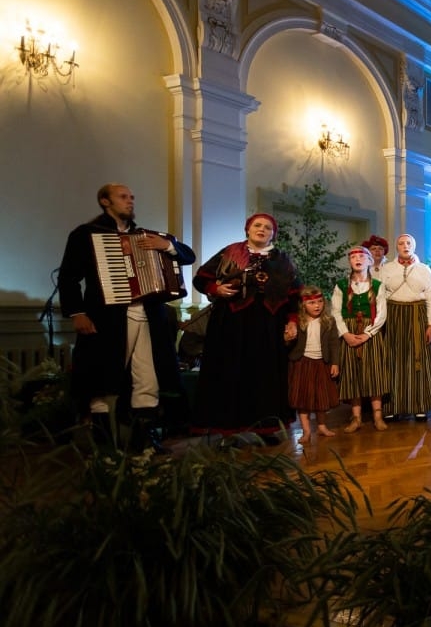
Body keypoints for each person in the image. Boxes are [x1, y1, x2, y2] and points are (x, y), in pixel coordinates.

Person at [58, 182, 195, 451]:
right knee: (103, 377)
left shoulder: (146, 235)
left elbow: (187, 256)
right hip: (106, 318)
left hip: (149, 316)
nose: (130, 201)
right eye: (123, 197)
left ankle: (141, 444)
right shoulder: (86, 234)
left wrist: (167, 245)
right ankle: (105, 447)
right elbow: (69, 277)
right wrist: (77, 312)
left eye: (132, 197)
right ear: (105, 201)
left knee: (148, 376)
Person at [192, 213, 300, 438]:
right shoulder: (229, 252)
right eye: (257, 225)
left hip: (269, 325)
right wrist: (216, 289)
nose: (262, 229)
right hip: (231, 324)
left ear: (273, 233)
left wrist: (292, 321)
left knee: (265, 376)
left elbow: (294, 294)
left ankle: (265, 429)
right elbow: (201, 279)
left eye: (268, 227)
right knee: (230, 373)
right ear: (248, 230)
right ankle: (227, 430)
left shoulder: (282, 260)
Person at [379, 233, 431, 422]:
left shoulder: (424, 269)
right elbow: (380, 297)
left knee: (418, 359)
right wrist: (380, 324)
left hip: (417, 316)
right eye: (401, 243)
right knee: (393, 360)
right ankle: (392, 407)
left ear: (414, 246)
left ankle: (419, 406)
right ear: (396, 247)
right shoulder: (386, 269)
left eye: (409, 243)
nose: (405, 246)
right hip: (393, 316)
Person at [333, 245, 391, 432]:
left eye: (361, 256)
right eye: (353, 257)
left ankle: (377, 416)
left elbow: (381, 314)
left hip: (370, 333)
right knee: (352, 375)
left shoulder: (377, 286)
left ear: (369, 260)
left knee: (374, 373)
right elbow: (335, 312)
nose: (357, 259)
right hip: (349, 332)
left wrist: (367, 334)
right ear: (350, 261)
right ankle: (356, 418)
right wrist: (346, 334)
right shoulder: (341, 285)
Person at [287, 285, 340, 445]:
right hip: (302, 363)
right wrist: (287, 337)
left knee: (321, 398)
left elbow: (334, 344)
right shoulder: (298, 321)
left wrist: (335, 363)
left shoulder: (328, 321)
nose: (317, 306)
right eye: (312, 303)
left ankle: (322, 426)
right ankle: (306, 431)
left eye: (319, 302)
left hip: (321, 363)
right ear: (303, 305)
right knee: (303, 399)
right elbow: (288, 341)